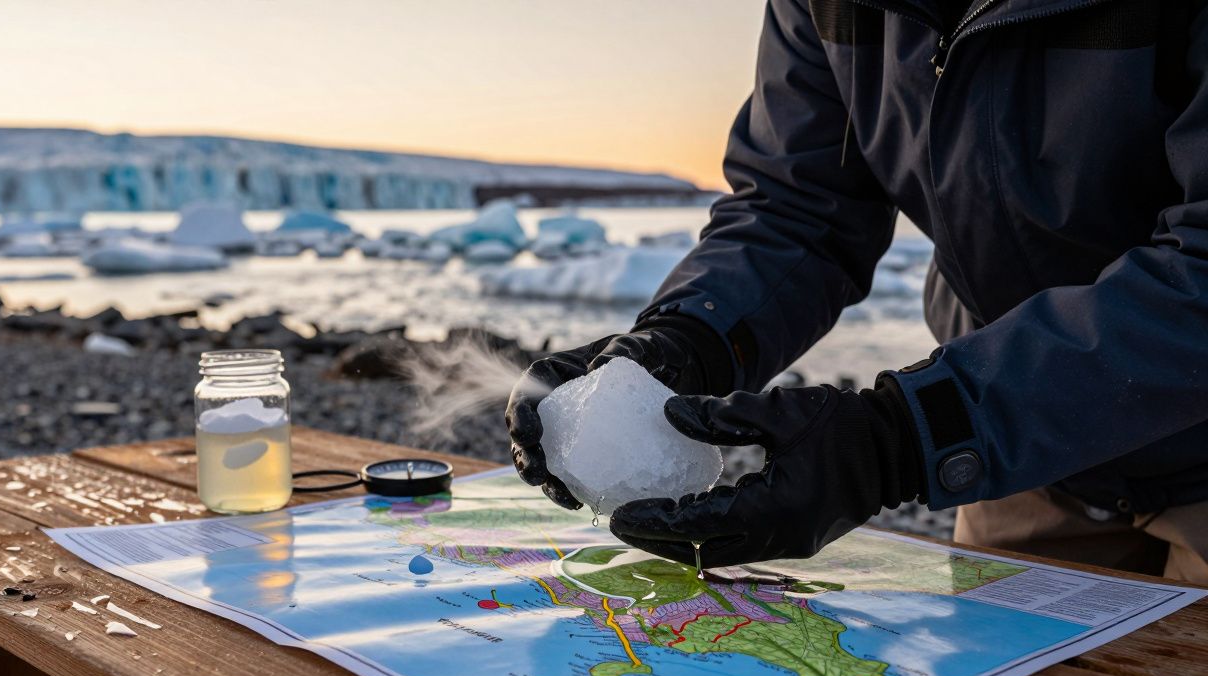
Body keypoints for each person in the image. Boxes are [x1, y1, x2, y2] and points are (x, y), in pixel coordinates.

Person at [507, 0, 1208, 584]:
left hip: (1168, 441)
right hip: (1030, 462)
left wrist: (900, 437)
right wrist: (687, 339)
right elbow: (799, 207)